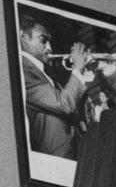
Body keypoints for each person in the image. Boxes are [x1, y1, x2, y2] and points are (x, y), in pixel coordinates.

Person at [18, 15, 92, 158]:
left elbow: (72, 109)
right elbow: (64, 104)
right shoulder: (24, 69)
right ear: (23, 37)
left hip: (69, 153)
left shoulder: (44, 72)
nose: (50, 48)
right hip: (54, 156)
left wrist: (83, 73)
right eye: (43, 40)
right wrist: (77, 68)